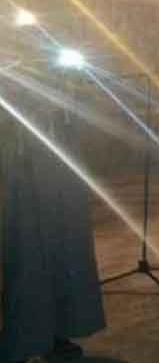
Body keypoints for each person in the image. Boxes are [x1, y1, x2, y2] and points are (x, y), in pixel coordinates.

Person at [1, 68, 105, 363]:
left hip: (61, 176)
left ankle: (58, 333)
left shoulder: (62, 77)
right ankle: (20, 342)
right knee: (26, 259)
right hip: (21, 177)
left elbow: (88, 119)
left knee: (66, 254)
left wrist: (74, 92)